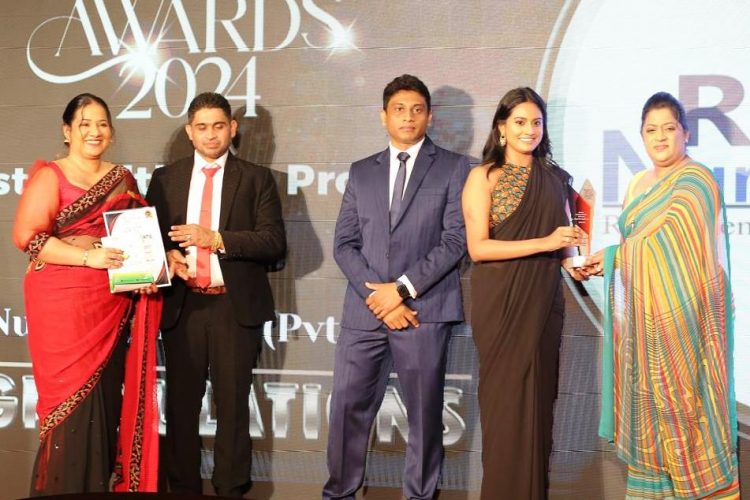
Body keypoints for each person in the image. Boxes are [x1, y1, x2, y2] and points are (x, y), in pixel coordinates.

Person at [323, 74, 470, 500]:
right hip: (365, 313)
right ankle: (339, 494)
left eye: (417, 109)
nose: (408, 117)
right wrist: (380, 297)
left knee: (423, 415)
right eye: (399, 109)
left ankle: (419, 496)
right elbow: (344, 244)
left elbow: (455, 241)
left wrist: (401, 290)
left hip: (424, 311)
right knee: (346, 409)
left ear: (430, 116)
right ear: (383, 115)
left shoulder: (454, 167)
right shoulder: (361, 171)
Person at [586, 92, 738, 498]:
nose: (660, 137)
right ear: (641, 135)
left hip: (687, 320)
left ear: (685, 133)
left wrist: (615, 257)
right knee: (650, 412)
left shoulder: (697, 180)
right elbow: (633, 246)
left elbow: (672, 243)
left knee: (686, 409)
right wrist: (604, 261)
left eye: (669, 128)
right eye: (651, 130)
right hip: (643, 319)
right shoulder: (638, 183)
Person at [12, 93, 160, 495]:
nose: (95, 132)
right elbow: (29, 238)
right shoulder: (51, 176)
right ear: (67, 131)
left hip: (109, 308)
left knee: (104, 405)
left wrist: (147, 273)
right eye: (84, 124)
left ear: (111, 132)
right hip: (61, 309)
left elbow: (136, 241)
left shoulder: (122, 178)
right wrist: (87, 257)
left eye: (102, 124)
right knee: (68, 411)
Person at [146, 91, 286, 497]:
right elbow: (149, 240)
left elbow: (274, 243)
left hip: (233, 307)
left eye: (219, 126)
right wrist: (166, 255)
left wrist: (216, 239)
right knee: (180, 408)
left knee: (233, 408)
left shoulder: (257, 179)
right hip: (183, 305)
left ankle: (230, 490)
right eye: (202, 127)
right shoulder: (165, 179)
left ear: (233, 129)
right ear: (190, 132)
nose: (211, 135)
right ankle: (183, 489)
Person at [461, 87, 586, 499]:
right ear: (501, 127)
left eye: (536, 122)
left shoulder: (556, 179)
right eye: (519, 122)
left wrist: (581, 263)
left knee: (538, 416)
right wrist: (546, 242)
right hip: (501, 307)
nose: (528, 130)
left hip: (543, 305)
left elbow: (566, 249)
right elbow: (479, 248)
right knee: (506, 414)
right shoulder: (483, 177)